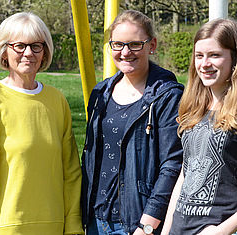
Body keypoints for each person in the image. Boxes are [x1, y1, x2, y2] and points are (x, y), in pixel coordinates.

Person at [0, 12, 83, 235]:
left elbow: (71, 172)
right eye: (19, 46)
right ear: (4, 51)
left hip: (55, 227)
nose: (28, 53)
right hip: (7, 228)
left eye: (36, 46)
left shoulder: (57, 100)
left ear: (44, 51)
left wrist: (73, 224)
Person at [161, 18, 237, 235]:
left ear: (235, 58)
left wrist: (222, 231)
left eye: (214, 55)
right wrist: (167, 230)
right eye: (199, 56)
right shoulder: (193, 109)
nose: (204, 64)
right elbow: (185, 176)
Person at [81, 10, 184, 235]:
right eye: (117, 44)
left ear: (152, 45)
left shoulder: (167, 96)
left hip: (136, 224)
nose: (125, 52)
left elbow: (173, 165)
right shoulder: (100, 93)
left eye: (135, 44)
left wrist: (147, 225)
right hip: (95, 222)